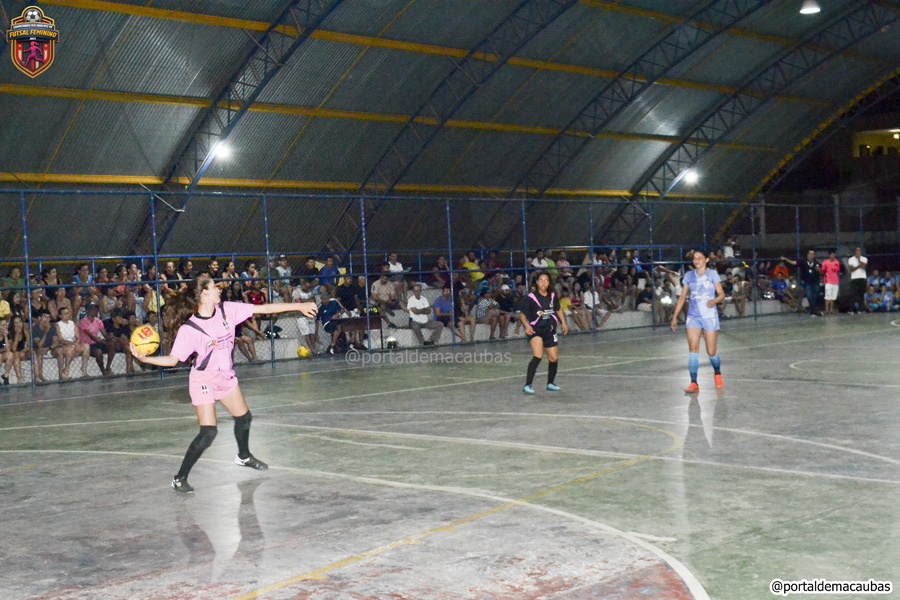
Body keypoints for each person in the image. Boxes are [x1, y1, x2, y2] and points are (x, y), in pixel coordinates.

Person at [129, 273, 318, 493]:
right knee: (208, 432)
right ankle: (180, 478)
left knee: (244, 417)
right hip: (203, 379)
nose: (219, 289)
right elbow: (173, 360)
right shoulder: (190, 329)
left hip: (225, 376)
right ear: (204, 294)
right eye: (214, 287)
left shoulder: (228, 310)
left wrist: (299, 306)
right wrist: (146, 359)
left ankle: (244, 456)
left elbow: (264, 308)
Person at [670, 249, 725, 393]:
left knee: (711, 352)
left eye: (700, 258)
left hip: (709, 317)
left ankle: (717, 372)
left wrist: (714, 301)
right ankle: (694, 383)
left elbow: (721, 294)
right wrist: (675, 316)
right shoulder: (689, 276)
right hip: (693, 317)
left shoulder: (712, 274)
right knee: (693, 349)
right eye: (695, 258)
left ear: (706, 260)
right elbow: (683, 297)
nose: (697, 261)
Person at [519, 271, 568, 394]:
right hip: (535, 330)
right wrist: (526, 325)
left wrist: (563, 323)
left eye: (546, 280)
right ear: (537, 282)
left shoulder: (552, 296)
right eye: (540, 280)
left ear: (549, 283)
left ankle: (550, 383)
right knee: (538, 355)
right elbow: (522, 315)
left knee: (553, 358)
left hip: (550, 329)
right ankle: (528, 385)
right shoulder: (531, 298)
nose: (543, 283)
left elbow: (558, 309)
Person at [782, 250, 821, 316]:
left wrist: (819, 270)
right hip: (807, 282)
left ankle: (813, 310)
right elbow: (794, 263)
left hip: (815, 282)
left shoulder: (816, 262)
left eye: (813, 254)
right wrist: (786, 259)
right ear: (808, 255)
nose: (811, 255)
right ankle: (814, 310)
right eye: (810, 254)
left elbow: (821, 271)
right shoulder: (803, 262)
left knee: (815, 296)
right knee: (809, 296)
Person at [821, 250, 841, 316]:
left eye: (833, 254)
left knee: (833, 296)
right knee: (828, 296)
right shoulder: (825, 262)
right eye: (831, 254)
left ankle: (831, 309)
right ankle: (826, 309)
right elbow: (823, 271)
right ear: (829, 255)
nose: (833, 256)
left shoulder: (837, 262)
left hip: (835, 281)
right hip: (828, 281)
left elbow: (837, 271)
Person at [847, 247, 868, 313]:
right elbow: (851, 269)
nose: (858, 252)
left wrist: (859, 260)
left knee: (861, 294)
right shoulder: (851, 259)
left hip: (862, 278)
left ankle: (861, 309)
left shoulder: (864, 258)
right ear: (855, 252)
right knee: (853, 294)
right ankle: (851, 309)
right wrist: (859, 266)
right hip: (854, 278)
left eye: (859, 251)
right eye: (857, 251)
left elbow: (864, 267)